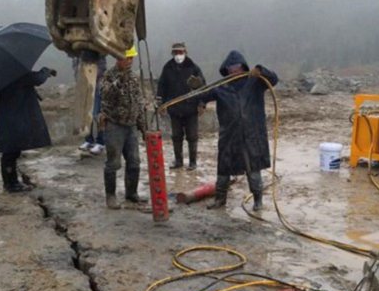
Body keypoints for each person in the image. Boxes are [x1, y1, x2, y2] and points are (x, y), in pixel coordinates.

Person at [200, 49, 278, 211]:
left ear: (243, 67)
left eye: (236, 66)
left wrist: (261, 70)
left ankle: (258, 200)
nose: (234, 70)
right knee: (223, 168)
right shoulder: (221, 87)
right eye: (230, 67)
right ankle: (220, 199)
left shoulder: (255, 82)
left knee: (253, 169)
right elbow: (203, 95)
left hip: (251, 134)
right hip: (229, 135)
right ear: (226, 69)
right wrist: (201, 103)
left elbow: (274, 79)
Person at [98, 45, 147, 209]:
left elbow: (138, 103)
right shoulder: (109, 75)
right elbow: (105, 94)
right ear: (118, 58)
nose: (129, 61)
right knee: (113, 163)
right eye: (127, 58)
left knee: (134, 162)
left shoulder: (133, 77)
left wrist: (143, 128)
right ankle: (110, 197)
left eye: (131, 58)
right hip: (114, 125)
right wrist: (119, 82)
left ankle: (131, 193)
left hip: (131, 125)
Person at [0, 67, 56, 193]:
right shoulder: (13, 71)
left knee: (11, 151)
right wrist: (45, 71)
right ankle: (11, 184)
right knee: (10, 152)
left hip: (7, 114)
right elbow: (36, 79)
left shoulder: (0, 73)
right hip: (15, 115)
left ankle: (10, 182)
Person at [156, 42, 205, 170]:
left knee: (192, 136)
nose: (178, 55)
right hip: (174, 109)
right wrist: (160, 104)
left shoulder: (193, 67)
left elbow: (203, 87)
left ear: (185, 52)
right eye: (176, 52)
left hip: (191, 109)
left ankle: (193, 162)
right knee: (176, 136)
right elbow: (161, 86)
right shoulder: (167, 68)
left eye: (180, 52)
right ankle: (178, 161)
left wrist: (201, 104)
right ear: (172, 53)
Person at [75, 51, 107, 155]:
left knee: (97, 114)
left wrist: (90, 75)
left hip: (96, 86)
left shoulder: (97, 51)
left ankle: (101, 142)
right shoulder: (78, 52)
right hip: (84, 86)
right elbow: (76, 66)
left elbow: (102, 68)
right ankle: (88, 140)